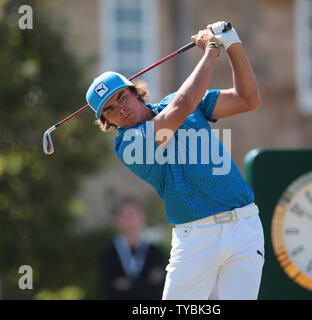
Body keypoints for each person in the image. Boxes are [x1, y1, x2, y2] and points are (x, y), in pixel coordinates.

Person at [88, 21, 265, 300]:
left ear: (135, 91)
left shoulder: (178, 103)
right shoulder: (128, 145)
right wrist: (211, 50)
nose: (120, 109)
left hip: (244, 226)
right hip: (195, 237)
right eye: (109, 109)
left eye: (122, 97)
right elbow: (182, 107)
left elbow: (248, 99)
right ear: (107, 121)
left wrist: (232, 43)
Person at [97, 197, 167, 299]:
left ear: (142, 217)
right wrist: (148, 282)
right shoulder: (108, 254)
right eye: (124, 215)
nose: (129, 220)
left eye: (132, 215)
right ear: (117, 220)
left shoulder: (156, 252)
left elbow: (162, 288)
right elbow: (107, 290)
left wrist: (127, 285)